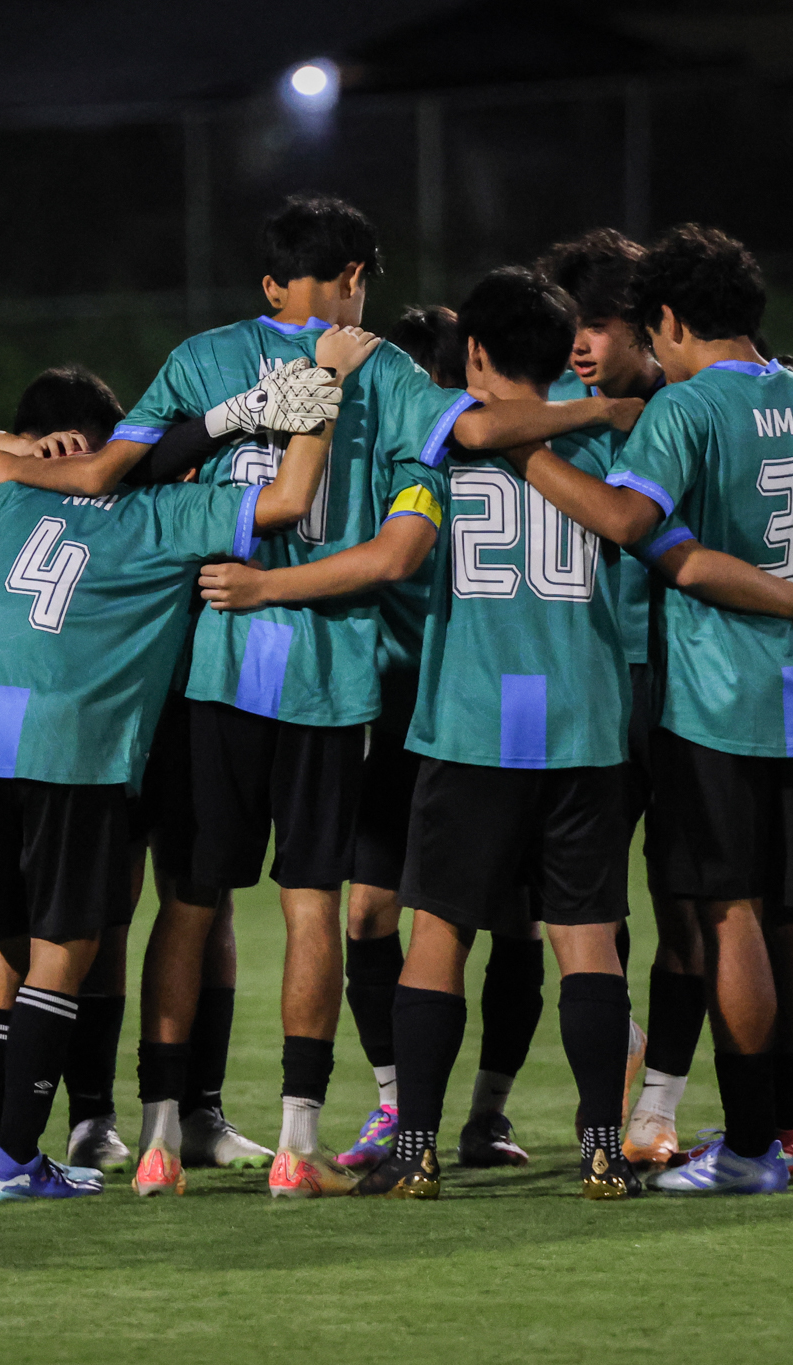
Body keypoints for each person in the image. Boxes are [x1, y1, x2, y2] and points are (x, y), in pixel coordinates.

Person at [0, 195, 640, 1197]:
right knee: (310, 905)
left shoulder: (203, 357)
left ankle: (156, 1138)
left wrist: (3, 459)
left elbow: (119, 465)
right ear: (361, 276)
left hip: (216, 664)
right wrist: (600, 408)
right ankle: (296, 1143)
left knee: (189, 902)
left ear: (273, 282)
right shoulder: (387, 371)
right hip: (332, 673)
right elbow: (482, 430)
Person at [0, 323, 380, 1202]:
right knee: (64, 949)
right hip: (74, 751)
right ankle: (12, 1158)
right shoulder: (163, 515)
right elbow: (291, 498)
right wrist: (316, 403)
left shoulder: (13, 498)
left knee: (2, 950)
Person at [500, 224, 793, 1196]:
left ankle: (747, 1148)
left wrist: (509, 450)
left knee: (730, 916)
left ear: (672, 322)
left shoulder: (684, 409)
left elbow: (626, 523)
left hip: (710, 703)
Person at [336, 306, 548, 1173]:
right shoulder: (370, 464)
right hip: (398, 716)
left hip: (485, 715)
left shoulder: (470, 456)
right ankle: (396, 1104)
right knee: (371, 910)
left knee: (518, 923)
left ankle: (487, 1113)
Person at [536, 228, 699, 1171]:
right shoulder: (549, 412)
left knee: (689, 902)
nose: (582, 344)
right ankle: (621, 1057)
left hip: (683, 686)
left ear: (649, 327)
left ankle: (659, 1109)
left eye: (598, 324)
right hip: (584, 686)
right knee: (586, 910)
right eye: (570, 326)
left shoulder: (696, 406)